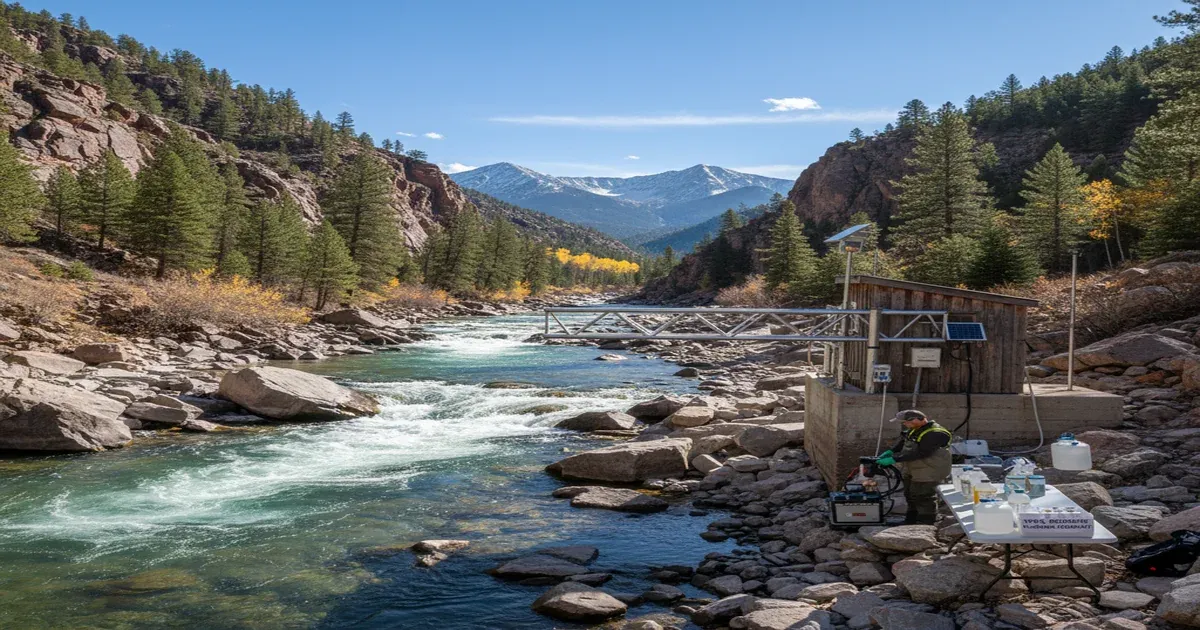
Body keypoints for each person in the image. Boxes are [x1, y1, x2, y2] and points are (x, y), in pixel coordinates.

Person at [875, 409, 952, 525]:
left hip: (930, 469)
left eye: (905, 422)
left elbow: (922, 453)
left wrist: (894, 459)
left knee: (923, 496)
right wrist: (892, 451)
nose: (904, 424)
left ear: (916, 420)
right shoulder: (915, 429)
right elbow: (905, 441)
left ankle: (926, 523)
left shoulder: (935, 433)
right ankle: (911, 521)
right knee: (910, 494)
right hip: (914, 468)